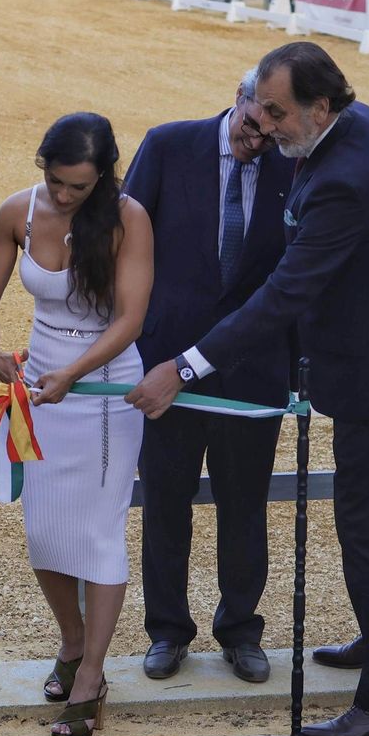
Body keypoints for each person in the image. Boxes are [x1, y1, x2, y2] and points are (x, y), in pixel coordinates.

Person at [127, 42, 369, 736]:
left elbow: (285, 294)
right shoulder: (349, 131)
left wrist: (181, 369)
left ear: (320, 106)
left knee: (366, 531)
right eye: (260, 107)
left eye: (277, 111)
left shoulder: (346, 176)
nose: (264, 125)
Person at [0, 113, 153, 736]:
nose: (65, 195)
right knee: (43, 529)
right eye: (56, 180)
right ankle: (72, 641)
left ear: (103, 176)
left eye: (80, 186)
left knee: (99, 532)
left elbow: (129, 319)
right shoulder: (15, 212)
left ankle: (91, 676)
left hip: (102, 389)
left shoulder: (129, 217)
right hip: (39, 387)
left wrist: (73, 372)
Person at [122, 71, 294, 686]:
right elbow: (124, 243)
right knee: (165, 503)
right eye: (253, 123)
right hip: (165, 366)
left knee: (245, 507)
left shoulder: (292, 166)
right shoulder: (168, 146)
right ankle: (167, 631)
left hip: (252, 373)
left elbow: (295, 273)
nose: (259, 138)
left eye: (272, 130)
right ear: (238, 98)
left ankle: (240, 629)